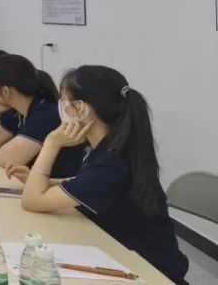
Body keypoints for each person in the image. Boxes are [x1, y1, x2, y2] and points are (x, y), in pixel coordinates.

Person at [13, 66, 189, 284]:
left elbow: (31, 201)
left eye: (65, 102)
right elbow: (87, 184)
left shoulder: (110, 164)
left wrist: (51, 142)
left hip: (149, 274)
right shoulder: (113, 148)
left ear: (81, 108)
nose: (63, 109)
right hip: (131, 257)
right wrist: (44, 181)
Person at [0, 54, 84, 178]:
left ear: (5, 91)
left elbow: (8, 159)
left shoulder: (45, 112)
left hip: (54, 185)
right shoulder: (18, 109)